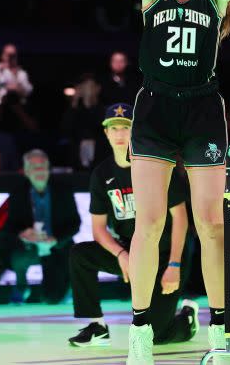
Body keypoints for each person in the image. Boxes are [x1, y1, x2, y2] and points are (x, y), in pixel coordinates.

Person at [108, 0, 230, 365]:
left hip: (203, 109)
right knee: (149, 222)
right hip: (156, 108)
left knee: (210, 224)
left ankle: (221, 333)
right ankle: (140, 331)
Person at [68, 103, 198, 348]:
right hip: (130, 248)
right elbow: (98, 229)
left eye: (125, 128)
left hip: (165, 251)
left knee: (157, 336)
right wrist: (121, 254)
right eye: (114, 128)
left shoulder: (157, 166)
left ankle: (186, 320)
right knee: (80, 254)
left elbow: (180, 218)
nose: (119, 134)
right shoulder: (102, 173)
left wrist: (174, 264)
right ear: (106, 133)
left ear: (136, 131)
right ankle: (96, 325)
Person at [4, 149, 80, 304]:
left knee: (53, 298)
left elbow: (75, 224)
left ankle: (68, 289)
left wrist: (56, 239)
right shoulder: (17, 193)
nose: (39, 171)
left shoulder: (63, 191)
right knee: (16, 256)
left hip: (56, 246)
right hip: (29, 247)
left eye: (42, 166)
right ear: (26, 171)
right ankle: (21, 287)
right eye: (34, 167)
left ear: (48, 169)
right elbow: (10, 226)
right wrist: (23, 234)